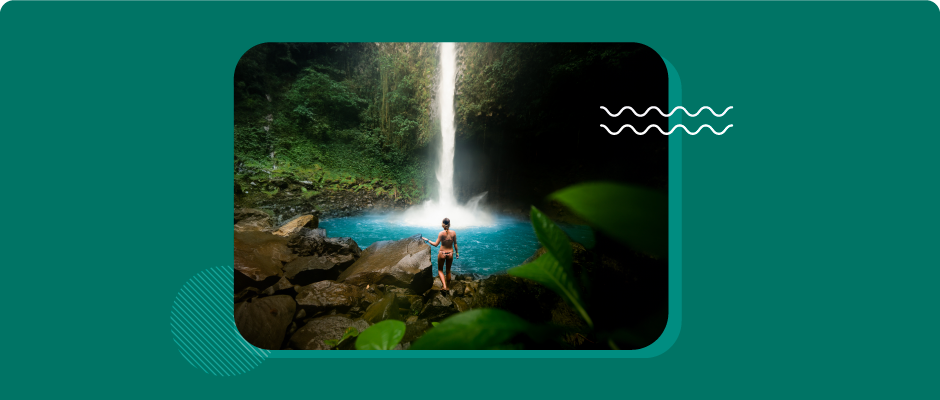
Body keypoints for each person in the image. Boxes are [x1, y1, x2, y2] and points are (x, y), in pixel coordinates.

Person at [423, 218, 459, 293]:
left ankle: (444, 286)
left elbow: (435, 244)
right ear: (449, 224)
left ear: (442, 224)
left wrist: (427, 240)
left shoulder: (441, 233)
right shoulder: (453, 233)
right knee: (448, 271)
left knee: (440, 270)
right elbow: (455, 244)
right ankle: (448, 287)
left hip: (442, 253)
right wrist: (457, 253)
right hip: (450, 253)